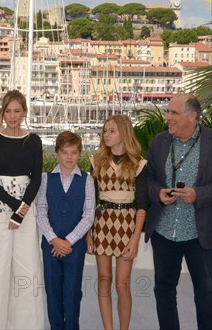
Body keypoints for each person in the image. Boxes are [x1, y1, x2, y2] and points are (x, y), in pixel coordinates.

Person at [0, 90, 45, 329]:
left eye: (17, 111)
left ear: (24, 111)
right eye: (8, 111)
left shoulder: (33, 140)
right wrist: (15, 207)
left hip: (26, 209)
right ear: (2, 112)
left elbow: (36, 179)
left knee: (27, 268)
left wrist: (22, 210)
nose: (12, 116)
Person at [145, 94, 212, 330]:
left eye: (174, 113)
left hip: (200, 234)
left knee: (206, 295)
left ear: (192, 116)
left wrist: (199, 195)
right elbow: (148, 179)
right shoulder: (160, 142)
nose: (168, 118)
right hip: (164, 232)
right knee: (163, 292)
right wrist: (158, 193)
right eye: (168, 112)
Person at [86, 114, 147, 330]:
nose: (107, 135)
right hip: (101, 223)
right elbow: (89, 202)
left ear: (125, 133)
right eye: (105, 131)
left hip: (127, 224)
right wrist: (87, 235)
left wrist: (135, 239)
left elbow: (142, 205)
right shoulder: (97, 161)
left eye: (112, 130)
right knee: (104, 279)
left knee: (122, 283)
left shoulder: (139, 164)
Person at [37, 131, 96, 330]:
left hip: (75, 248)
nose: (69, 157)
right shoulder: (46, 179)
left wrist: (68, 241)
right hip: (51, 246)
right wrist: (54, 239)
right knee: (53, 293)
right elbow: (41, 212)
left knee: (72, 293)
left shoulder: (87, 180)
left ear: (80, 154)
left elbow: (88, 215)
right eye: (64, 152)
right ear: (56, 153)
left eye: (73, 152)